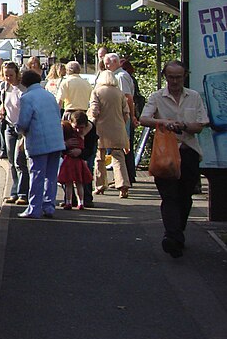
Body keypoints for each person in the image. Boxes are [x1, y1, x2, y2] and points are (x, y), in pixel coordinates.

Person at [138, 60, 210, 258]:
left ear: (184, 76)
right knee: (169, 196)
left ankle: (177, 233)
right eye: (171, 77)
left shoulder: (194, 97)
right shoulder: (157, 97)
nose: (175, 81)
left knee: (185, 197)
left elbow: (201, 124)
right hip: (166, 155)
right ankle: (171, 236)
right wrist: (164, 122)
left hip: (188, 152)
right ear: (165, 77)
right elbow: (143, 119)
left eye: (178, 77)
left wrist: (184, 126)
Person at [15, 69, 65, 218]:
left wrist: (17, 129)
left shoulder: (27, 97)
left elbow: (23, 122)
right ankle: (49, 206)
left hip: (39, 141)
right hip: (56, 140)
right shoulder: (49, 95)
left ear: (24, 82)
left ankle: (34, 208)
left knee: (37, 174)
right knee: (51, 176)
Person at [88, 68, 131, 197]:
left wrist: (91, 122)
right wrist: (121, 123)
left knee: (99, 158)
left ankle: (100, 185)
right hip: (118, 128)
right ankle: (123, 186)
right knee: (118, 157)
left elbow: (94, 111)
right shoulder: (119, 93)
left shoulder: (97, 91)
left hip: (101, 129)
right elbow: (126, 112)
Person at [0, 61, 29, 206]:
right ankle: (14, 192)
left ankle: (23, 193)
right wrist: (1, 109)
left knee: (19, 162)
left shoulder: (23, 89)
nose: (8, 78)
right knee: (11, 162)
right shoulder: (4, 87)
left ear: (17, 74)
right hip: (9, 126)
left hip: (22, 128)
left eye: (11, 75)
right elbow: (5, 103)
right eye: (6, 75)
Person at [59, 111, 93, 209]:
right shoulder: (67, 130)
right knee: (68, 183)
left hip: (78, 161)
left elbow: (88, 146)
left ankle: (81, 202)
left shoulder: (84, 133)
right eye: (76, 127)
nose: (78, 130)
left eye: (81, 128)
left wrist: (80, 151)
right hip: (69, 160)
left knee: (79, 183)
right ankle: (68, 201)